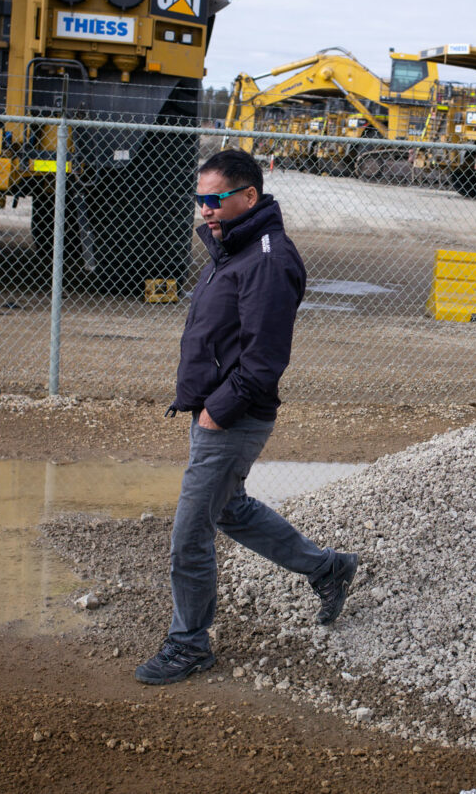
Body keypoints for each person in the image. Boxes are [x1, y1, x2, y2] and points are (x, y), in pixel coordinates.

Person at [136, 148, 359, 687]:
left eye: (215, 199)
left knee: (190, 534)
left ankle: (189, 644)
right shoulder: (233, 249)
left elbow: (264, 359)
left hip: (234, 417)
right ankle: (327, 567)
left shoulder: (266, 259)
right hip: (216, 409)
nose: (205, 209)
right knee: (228, 510)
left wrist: (218, 411)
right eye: (200, 199)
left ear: (249, 196)